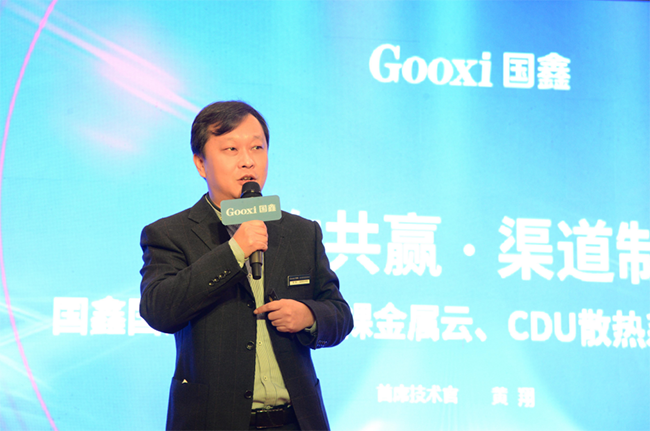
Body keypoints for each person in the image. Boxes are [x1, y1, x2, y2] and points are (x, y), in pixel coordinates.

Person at [139, 101, 353, 431]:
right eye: (231, 149)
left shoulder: (301, 232)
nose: (248, 160)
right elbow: (159, 310)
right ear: (201, 163)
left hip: (296, 421)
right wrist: (234, 250)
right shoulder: (170, 234)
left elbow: (340, 315)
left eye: (257, 147)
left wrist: (309, 316)